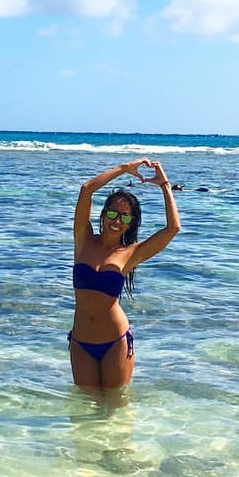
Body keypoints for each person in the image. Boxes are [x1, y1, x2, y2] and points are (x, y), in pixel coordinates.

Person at [69, 158, 180, 394]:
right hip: (81, 342)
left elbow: (173, 229)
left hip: (114, 343)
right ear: (104, 214)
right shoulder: (83, 239)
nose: (117, 221)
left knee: (115, 412)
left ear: (131, 223)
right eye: (113, 213)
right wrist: (123, 169)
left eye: (125, 217)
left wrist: (164, 185)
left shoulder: (131, 254)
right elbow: (86, 190)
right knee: (83, 413)